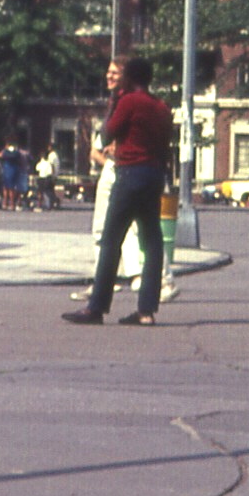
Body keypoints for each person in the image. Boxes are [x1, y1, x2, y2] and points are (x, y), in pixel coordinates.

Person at [64, 56, 171, 327]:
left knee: (111, 240)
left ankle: (97, 307)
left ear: (129, 78)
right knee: (152, 241)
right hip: (154, 175)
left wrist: (115, 103)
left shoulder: (128, 102)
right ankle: (146, 310)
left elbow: (107, 134)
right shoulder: (162, 106)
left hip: (130, 172)